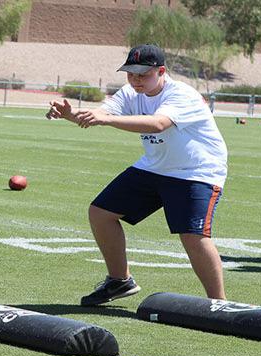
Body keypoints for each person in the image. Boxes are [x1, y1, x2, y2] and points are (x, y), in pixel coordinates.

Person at [46, 44, 228, 305]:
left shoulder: (181, 94)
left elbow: (157, 124)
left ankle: (219, 304)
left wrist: (104, 120)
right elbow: (101, 113)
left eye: (142, 74)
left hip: (196, 171)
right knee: (101, 213)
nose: (135, 80)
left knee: (192, 235)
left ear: (161, 71)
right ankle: (120, 281)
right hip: (155, 166)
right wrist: (70, 114)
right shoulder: (131, 92)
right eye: (130, 74)